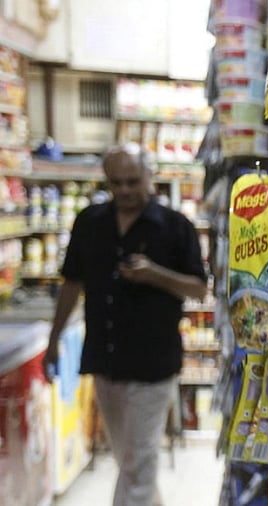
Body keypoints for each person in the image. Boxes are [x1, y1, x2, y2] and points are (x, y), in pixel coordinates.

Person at [42, 143, 208, 506]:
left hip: (154, 364)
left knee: (137, 463)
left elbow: (197, 288)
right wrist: (54, 340)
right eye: (116, 183)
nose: (125, 190)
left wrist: (154, 274)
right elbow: (72, 283)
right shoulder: (89, 222)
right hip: (106, 359)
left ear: (150, 177)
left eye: (133, 181)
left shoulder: (176, 227)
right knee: (130, 460)